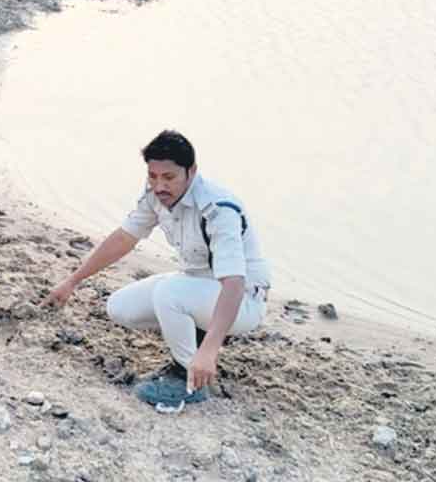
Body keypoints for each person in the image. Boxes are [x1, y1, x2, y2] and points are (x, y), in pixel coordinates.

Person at [45, 130, 272, 407]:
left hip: (243, 300)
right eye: (152, 176)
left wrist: (210, 350)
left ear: (192, 171)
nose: (159, 186)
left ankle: (189, 378)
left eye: (169, 177)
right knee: (119, 306)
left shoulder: (218, 208)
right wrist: (72, 281)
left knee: (170, 293)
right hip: (195, 285)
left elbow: (234, 284)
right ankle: (194, 341)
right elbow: (124, 238)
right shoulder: (156, 195)